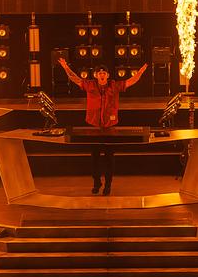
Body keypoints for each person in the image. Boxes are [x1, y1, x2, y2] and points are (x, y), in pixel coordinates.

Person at [56, 57, 149, 194]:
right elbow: (75, 78)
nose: (102, 75)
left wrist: (140, 72)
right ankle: (96, 182)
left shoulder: (114, 85)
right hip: (93, 126)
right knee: (94, 157)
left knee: (109, 157)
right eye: (99, 73)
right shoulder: (90, 85)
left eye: (104, 73)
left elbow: (130, 81)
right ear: (96, 75)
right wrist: (66, 67)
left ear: (108, 75)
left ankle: (108, 185)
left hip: (110, 127)